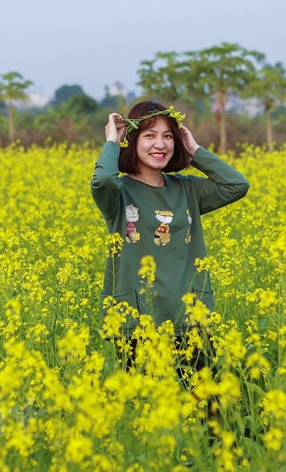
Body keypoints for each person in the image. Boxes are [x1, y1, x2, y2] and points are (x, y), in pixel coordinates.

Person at [90, 101, 250, 373]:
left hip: (189, 317)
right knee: (146, 408)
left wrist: (194, 150)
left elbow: (237, 185)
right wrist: (112, 142)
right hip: (137, 319)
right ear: (132, 140)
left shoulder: (187, 189)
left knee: (206, 407)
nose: (160, 145)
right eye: (149, 136)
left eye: (167, 136)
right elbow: (102, 180)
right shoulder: (118, 193)